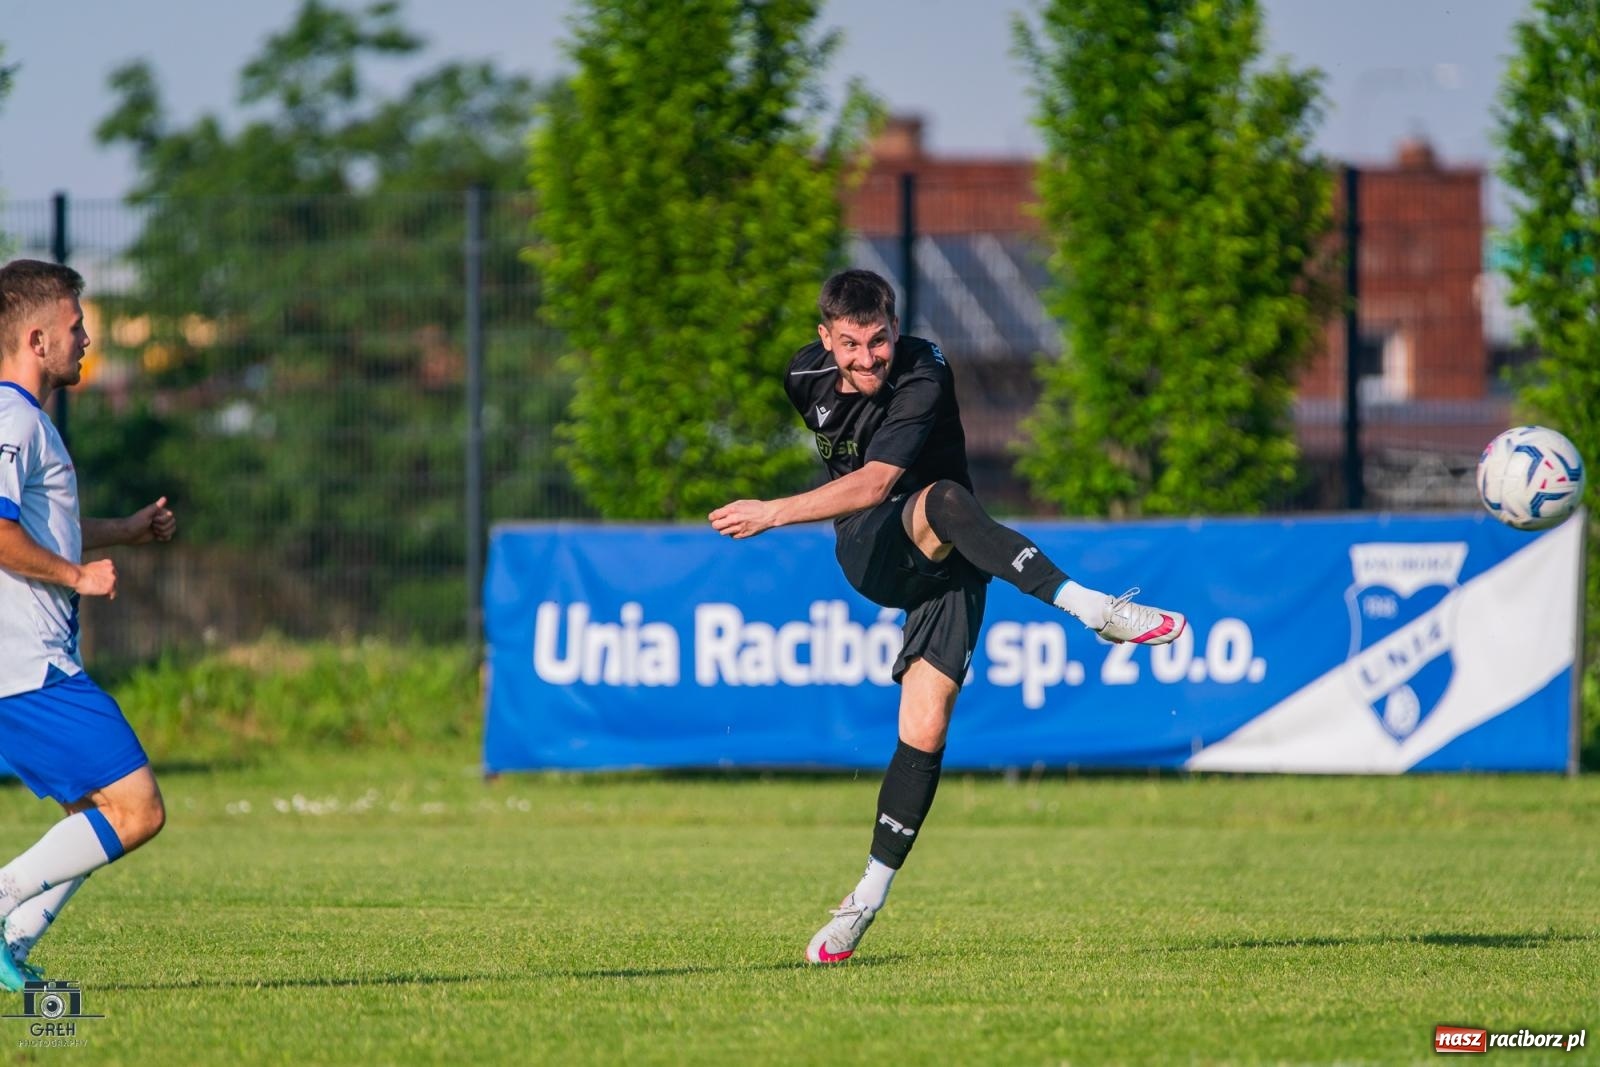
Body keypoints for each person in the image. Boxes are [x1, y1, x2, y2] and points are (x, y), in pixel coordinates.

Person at [709, 268, 1185, 964]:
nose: (866, 357)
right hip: (873, 549)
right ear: (824, 338)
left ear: (894, 330)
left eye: (877, 340)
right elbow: (868, 493)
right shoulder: (802, 375)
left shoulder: (923, 370)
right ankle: (1091, 608)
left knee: (925, 728)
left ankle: (862, 902)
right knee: (945, 500)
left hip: (950, 554)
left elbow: (875, 474)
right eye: (850, 343)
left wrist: (771, 511)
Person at [0, 259, 176, 991]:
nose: (88, 337)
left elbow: (41, 528)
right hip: (25, 666)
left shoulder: (27, 422)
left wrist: (123, 532)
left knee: (93, 809)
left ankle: (14, 939)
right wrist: (76, 576)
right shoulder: (12, 421)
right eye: (76, 326)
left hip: (29, 664)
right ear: (37, 339)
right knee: (138, 809)